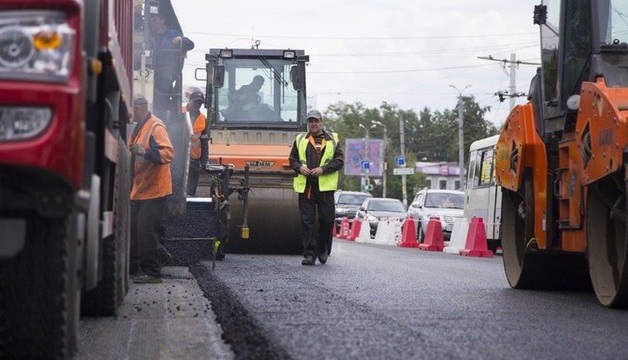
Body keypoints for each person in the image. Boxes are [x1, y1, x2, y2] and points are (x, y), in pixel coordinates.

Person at [129, 93, 175, 284]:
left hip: (155, 190)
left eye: (132, 111)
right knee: (138, 231)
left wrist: (145, 152)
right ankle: (158, 258)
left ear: (138, 108)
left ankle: (153, 273)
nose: (131, 115)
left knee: (146, 230)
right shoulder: (139, 127)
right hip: (141, 189)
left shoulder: (155, 126)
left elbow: (168, 153)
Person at [289, 109, 344, 265]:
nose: (313, 124)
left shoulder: (333, 139)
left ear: (322, 122)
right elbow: (292, 160)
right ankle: (309, 254)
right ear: (308, 123)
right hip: (306, 188)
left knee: (327, 221)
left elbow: (339, 161)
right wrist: (300, 168)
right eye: (310, 121)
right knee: (307, 222)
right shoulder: (300, 139)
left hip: (325, 189)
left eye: (316, 121)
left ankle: (322, 249)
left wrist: (323, 169)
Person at [148, 12, 194, 120]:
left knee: (164, 80)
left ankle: (162, 112)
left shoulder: (173, 34)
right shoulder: (148, 35)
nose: (152, 22)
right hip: (148, 70)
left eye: (154, 20)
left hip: (166, 70)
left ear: (162, 20)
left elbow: (191, 44)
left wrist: (179, 40)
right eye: (151, 20)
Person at [186, 91, 209, 196]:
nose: (197, 105)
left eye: (200, 103)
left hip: (194, 159)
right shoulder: (179, 113)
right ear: (189, 100)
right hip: (179, 157)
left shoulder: (203, 119)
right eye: (195, 102)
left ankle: (190, 207)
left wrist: (204, 161)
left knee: (191, 188)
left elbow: (204, 142)